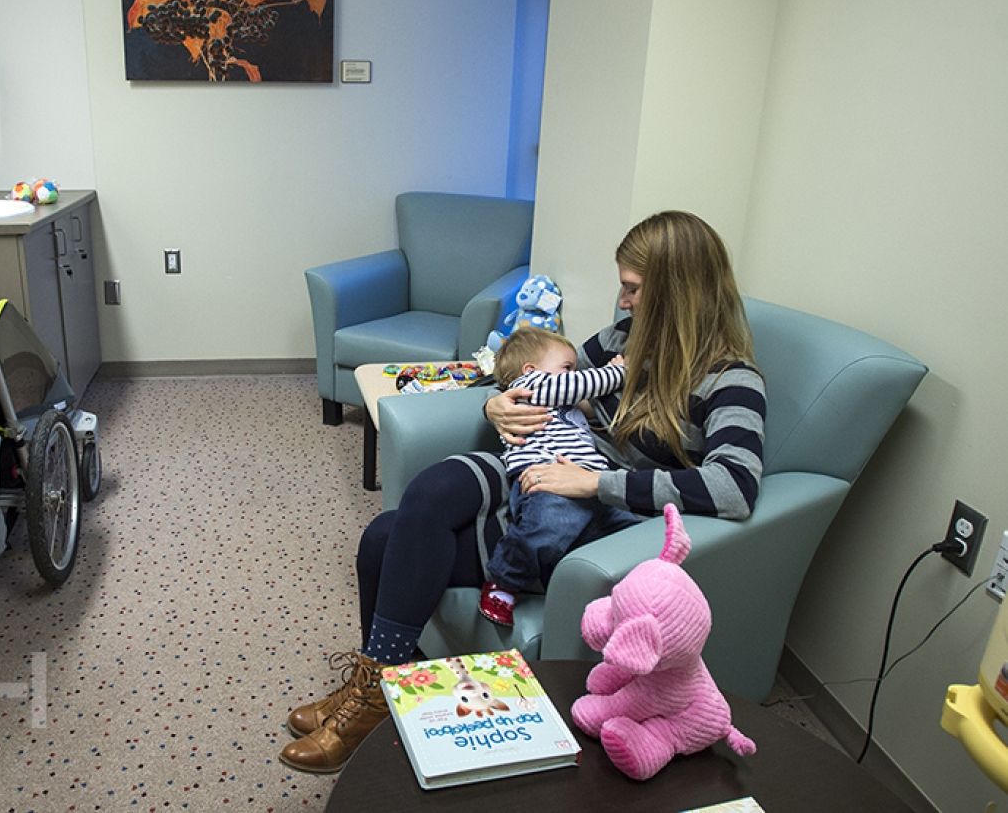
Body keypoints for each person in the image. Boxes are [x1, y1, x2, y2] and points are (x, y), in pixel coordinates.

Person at [278, 210, 766, 775]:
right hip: (541, 468)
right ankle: (382, 685)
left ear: (676, 293)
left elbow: (735, 485)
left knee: (386, 539)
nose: (622, 301)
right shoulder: (625, 340)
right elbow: (539, 374)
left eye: (633, 289)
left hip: (586, 510)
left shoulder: (731, 379)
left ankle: (377, 693)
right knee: (426, 497)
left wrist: (595, 482)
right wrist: (495, 403)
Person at [479, 326, 633, 627]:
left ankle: (555, 585)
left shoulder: (557, 398)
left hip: (590, 485)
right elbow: (586, 384)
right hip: (549, 483)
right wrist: (619, 372)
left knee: (627, 528)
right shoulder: (532, 386)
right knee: (548, 528)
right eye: (567, 368)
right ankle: (503, 580)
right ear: (530, 369)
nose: (572, 373)